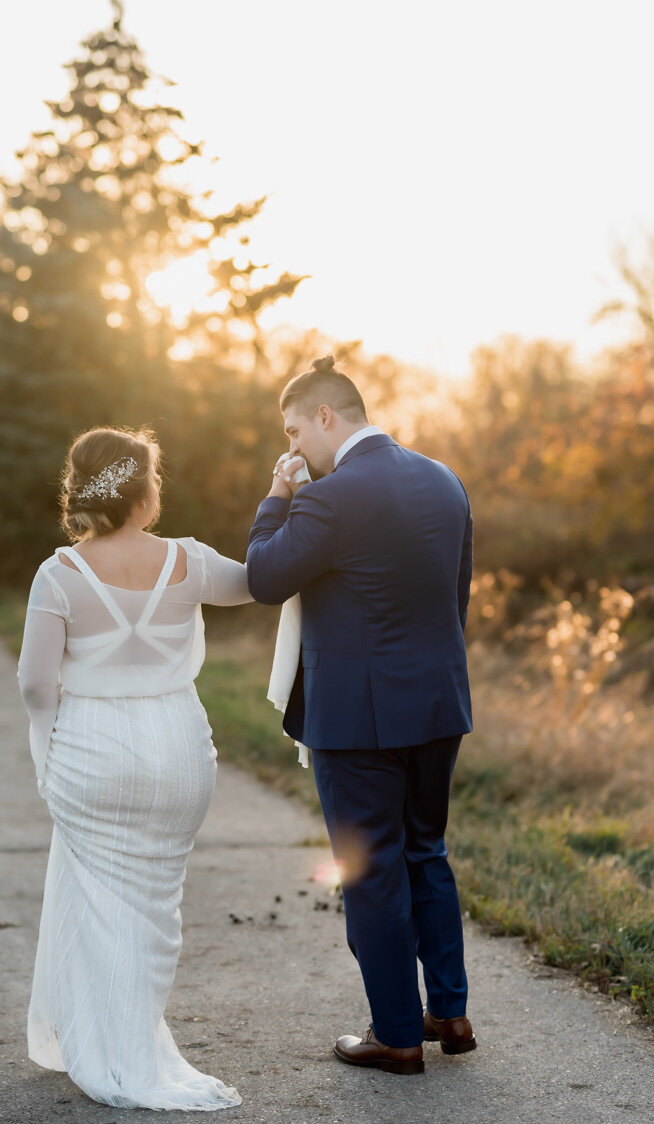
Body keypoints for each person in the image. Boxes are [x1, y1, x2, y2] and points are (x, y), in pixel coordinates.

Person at [246, 356, 476, 1076]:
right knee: (425, 851)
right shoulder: (445, 479)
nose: (291, 451)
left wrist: (276, 501)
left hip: (359, 719)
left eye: (293, 432)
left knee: (370, 870)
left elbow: (262, 577)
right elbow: (455, 597)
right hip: (439, 702)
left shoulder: (331, 498)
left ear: (326, 416)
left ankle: (396, 1034)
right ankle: (450, 1011)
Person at [17, 425, 247, 1112]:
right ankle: (131, 1042)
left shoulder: (59, 575)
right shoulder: (190, 561)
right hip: (179, 752)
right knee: (155, 908)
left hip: (94, 752)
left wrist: (49, 743)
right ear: (144, 494)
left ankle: (111, 1050)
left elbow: (35, 684)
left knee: (99, 905)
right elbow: (262, 581)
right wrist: (283, 499)